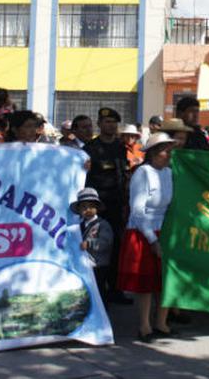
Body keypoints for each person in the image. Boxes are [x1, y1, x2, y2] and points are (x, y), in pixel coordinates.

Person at [117, 132, 177, 341]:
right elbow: (137, 210)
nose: (169, 154)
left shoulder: (169, 173)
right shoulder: (142, 173)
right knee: (147, 284)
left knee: (166, 280)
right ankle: (145, 326)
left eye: (170, 150)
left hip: (164, 229)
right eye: (165, 150)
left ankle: (161, 322)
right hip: (143, 230)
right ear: (153, 153)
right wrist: (152, 240)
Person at [84, 108, 131, 304]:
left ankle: (115, 290)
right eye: (107, 122)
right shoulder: (91, 148)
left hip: (118, 204)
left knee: (117, 247)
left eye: (114, 122)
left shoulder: (121, 147)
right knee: (98, 248)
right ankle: (99, 291)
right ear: (99, 124)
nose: (110, 125)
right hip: (100, 206)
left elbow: (124, 175)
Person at [70, 187, 114, 296]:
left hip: (98, 265)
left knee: (99, 291)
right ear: (79, 210)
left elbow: (105, 242)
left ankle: (103, 312)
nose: (88, 209)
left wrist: (89, 243)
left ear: (97, 208)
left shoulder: (103, 224)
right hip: (84, 264)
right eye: (84, 207)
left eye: (91, 206)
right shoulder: (77, 226)